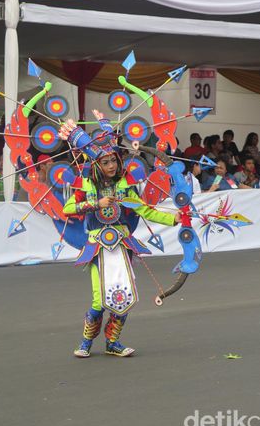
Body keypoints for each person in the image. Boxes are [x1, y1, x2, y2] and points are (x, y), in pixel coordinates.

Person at [60, 111, 181, 358]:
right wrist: (95, 204)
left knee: (124, 296)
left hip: (122, 247)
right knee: (98, 300)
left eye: (113, 160)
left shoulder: (125, 186)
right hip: (97, 248)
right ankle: (85, 342)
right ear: (96, 164)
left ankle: (113, 342)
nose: (111, 165)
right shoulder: (87, 188)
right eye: (105, 162)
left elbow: (145, 210)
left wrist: (173, 218)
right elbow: (68, 208)